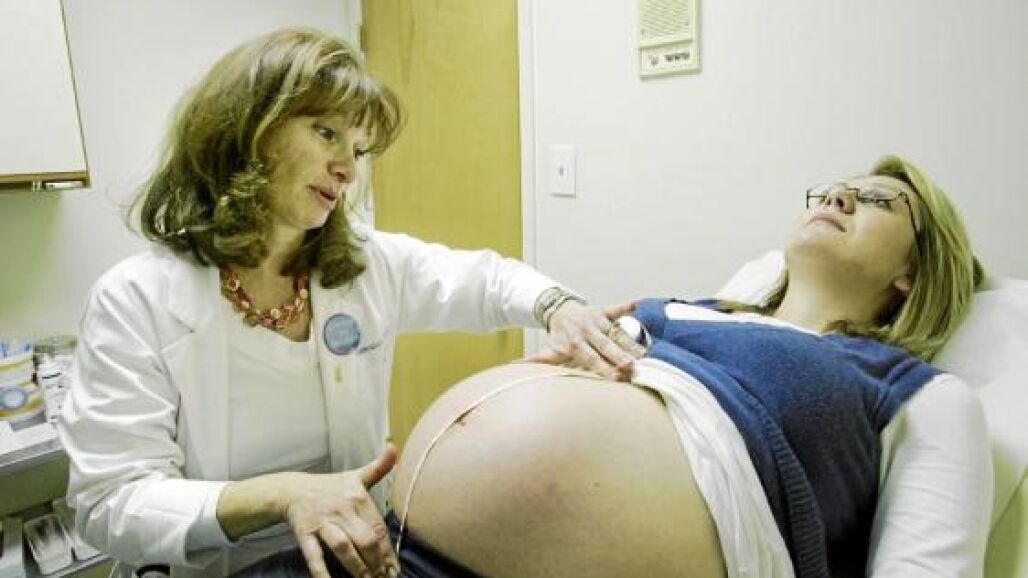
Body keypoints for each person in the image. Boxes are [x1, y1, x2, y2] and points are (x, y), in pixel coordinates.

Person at [235, 155, 993, 578]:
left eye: (876, 200)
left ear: (913, 272)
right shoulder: (688, 309)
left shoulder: (915, 391)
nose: (840, 195)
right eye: (833, 188)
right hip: (388, 552)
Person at [57, 28, 638, 578]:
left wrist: (559, 307)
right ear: (250, 129)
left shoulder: (363, 263)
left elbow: (485, 280)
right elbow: (110, 503)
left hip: (356, 558)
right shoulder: (136, 300)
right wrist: (285, 496)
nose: (347, 169)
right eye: (326, 133)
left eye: (358, 149)